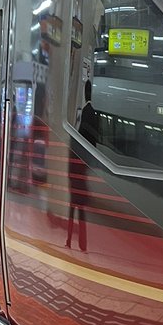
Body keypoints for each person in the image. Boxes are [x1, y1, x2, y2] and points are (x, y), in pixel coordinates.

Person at [66, 81, 98, 249]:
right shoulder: (93, 113)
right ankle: (82, 244)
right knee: (81, 212)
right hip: (82, 172)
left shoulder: (85, 112)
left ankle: (69, 240)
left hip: (76, 173)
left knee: (73, 209)